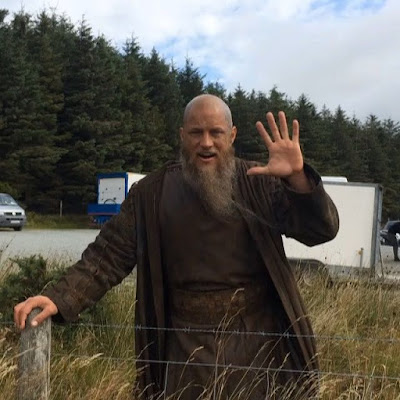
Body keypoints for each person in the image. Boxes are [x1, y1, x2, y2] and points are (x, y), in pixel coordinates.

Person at [14, 94, 339, 399]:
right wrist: (59, 297)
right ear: (182, 136)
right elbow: (107, 256)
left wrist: (298, 179)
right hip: (184, 348)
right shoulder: (150, 195)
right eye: (196, 132)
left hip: (259, 345)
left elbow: (320, 230)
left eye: (216, 132)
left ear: (232, 135)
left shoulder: (259, 183)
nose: (206, 142)